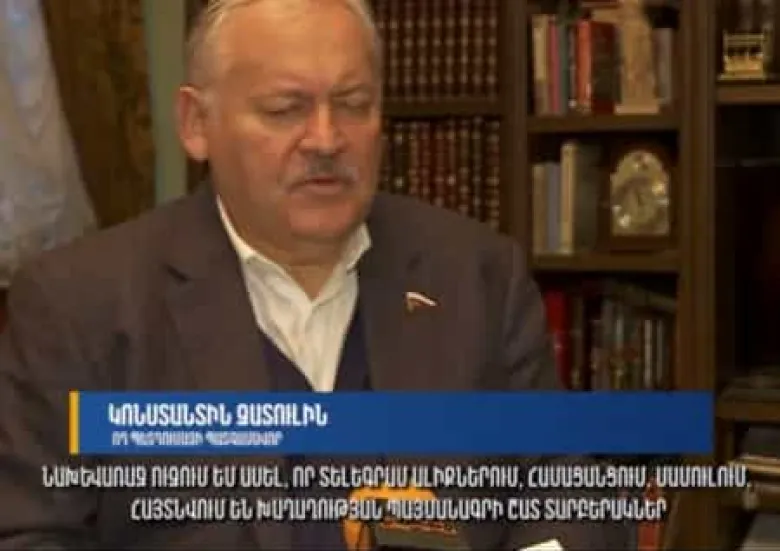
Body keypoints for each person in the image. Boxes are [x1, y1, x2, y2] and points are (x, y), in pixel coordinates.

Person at [0, 0, 632, 549]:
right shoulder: (77, 306)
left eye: (354, 105)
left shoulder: (476, 274)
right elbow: (30, 534)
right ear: (196, 124)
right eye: (285, 109)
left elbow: (562, 489)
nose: (326, 139)